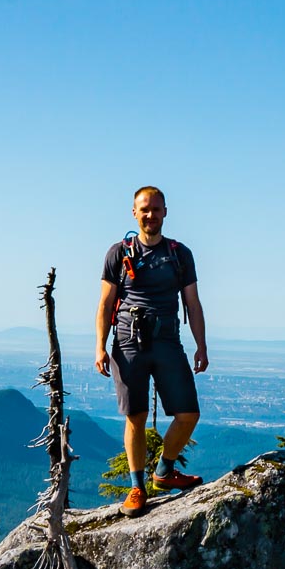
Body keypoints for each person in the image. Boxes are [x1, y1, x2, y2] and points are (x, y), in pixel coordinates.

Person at [95, 185, 208, 515]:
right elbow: (105, 303)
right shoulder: (119, 253)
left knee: (188, 413)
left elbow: (193, 303)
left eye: (156, 209)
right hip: (129, 342)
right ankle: (136, 487)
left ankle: (164, 472)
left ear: (165, 212)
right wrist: (100, 347)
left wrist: (201, 345)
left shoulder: (179, 254)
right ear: (134, 212)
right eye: (144, 209)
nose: (150, 215)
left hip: (168, 340)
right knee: (136, 416)